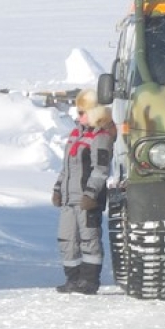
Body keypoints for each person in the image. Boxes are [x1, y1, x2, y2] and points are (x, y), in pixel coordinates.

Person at [51, 88, 115, 294]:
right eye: (77, 112)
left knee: (89, 239)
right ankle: (73, 279)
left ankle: (89, 280)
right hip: (69, 199)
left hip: (87, 200)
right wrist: (58, 189)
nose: (78, 116)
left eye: (82, 112)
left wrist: (91, 194)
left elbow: (101, 169)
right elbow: (66, 167)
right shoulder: (75, 134)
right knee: (66, 239)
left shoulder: (101, 137)